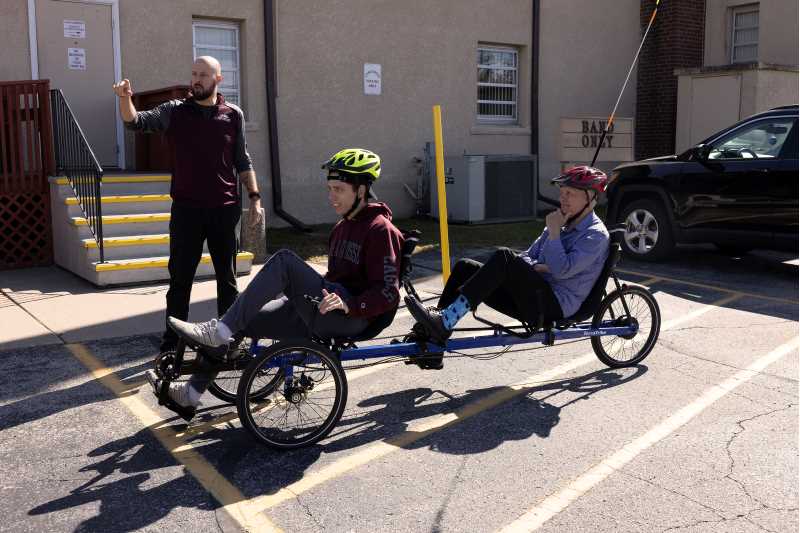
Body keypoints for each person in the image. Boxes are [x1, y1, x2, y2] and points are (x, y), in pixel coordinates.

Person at [146, 148, 404, 421]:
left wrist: (349, 304)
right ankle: (189, 395)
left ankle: (218, 332)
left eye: (338, 189)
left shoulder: (381, 230)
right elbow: (335, 278)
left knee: (283, 261)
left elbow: (388, 294)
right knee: (241, 318)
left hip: (349, 319)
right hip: (322, 307)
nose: (331, 197)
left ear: (361, 190)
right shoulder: (342, 228)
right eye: (329, 188)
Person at [112, 56, 264, 355]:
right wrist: (125, 99)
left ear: (218, 79)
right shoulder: (175, 112)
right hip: (187, 211)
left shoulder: (233, 114)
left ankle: (228, 338)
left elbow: (242, 160)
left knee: (228, 279)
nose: (196, 79)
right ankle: (172, 344)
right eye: (193, 73)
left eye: (203, 75)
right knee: (181, 280)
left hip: (225, 208)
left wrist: (255, 198)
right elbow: (135, 122)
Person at [407, 166, 610, 350]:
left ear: (590, 198)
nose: (563, 198)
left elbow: (562, 270)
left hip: (554, 306)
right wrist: (540, 265)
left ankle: (444, 321)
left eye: (570, 194)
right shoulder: (560, 222)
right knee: (465, 267)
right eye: (562, 193)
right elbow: (527, 257)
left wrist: (554, 235)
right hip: (534, 294)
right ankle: (430, 332)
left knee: (504, 256)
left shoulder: (595, 235)